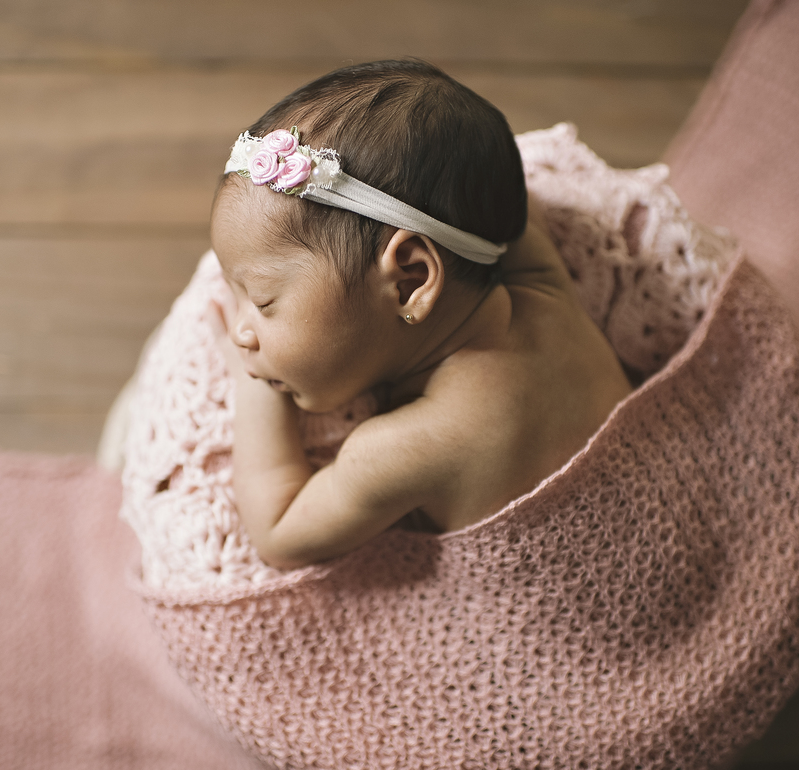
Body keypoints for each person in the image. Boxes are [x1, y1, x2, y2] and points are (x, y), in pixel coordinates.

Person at [206, 60, 630, 569]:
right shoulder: (544, 286)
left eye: (263, 303)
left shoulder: (411, 446)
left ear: (410, 280)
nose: (241, 330)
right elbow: (506, 207)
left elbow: (278, 534)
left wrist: (250, 385)